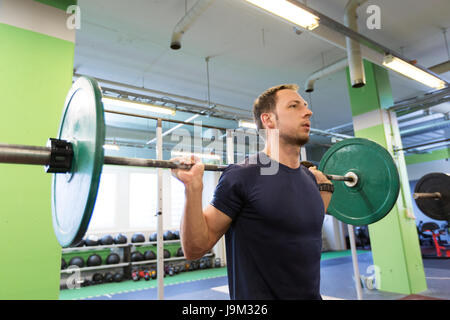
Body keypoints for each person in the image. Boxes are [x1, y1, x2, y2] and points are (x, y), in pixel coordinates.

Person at [171, 84, 334, 300]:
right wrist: (193, 188)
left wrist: (324, 188)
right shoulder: (242, 176)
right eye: (294, 106)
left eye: (305, 105)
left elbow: (301, 231)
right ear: (268, 120)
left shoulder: (310, 181)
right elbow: (195, 249)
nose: (308, 111)